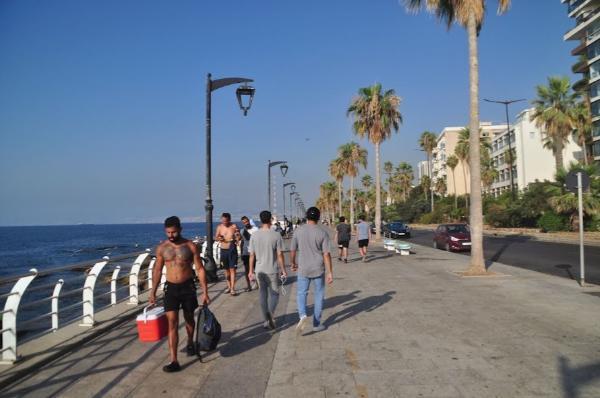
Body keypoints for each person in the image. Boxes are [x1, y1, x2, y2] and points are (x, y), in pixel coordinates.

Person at [150, 216, 210, 373]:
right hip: (171, 289)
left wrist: (205, 292)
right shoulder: (162, 248)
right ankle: (174, 360)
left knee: (189, 318)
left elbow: (200, 269)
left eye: (174, 232)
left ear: (180, 229)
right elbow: (157, 270)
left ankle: (190, 341)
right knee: (172, 323)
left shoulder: (190, 246)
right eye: (168, 232)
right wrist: (153, 292)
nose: (171, 235)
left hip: (187, 287)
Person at [290, 206, 333, 334]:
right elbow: (326, 254)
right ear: (318, 217)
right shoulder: (322, 233)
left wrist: (293, 263)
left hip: (303, 267)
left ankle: (302, 315)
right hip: (318, 268)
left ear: (306, 217)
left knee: (301, 293)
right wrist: (330, 272)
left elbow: (292, 250)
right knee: (319, 295)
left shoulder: (298, 231)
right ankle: (316, 324)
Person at [248, 210, 287, 330]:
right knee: (274, 294)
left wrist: (250, 271)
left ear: (260, 220)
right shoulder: (276, 235)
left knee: (262, 294)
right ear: (270, 220)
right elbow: (280, 255)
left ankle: (266, 319)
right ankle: (270, 316)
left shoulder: (254, 235)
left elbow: (252, 255)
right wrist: (283, 270)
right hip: (272, 269)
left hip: (259, 270)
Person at [215, 213, 240, 296]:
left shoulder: (234, 226)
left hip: (232, 249)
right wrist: (219, 238)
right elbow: (215, 237)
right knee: (226, 270)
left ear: (229, 219)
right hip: (223, 250)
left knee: (232, 269)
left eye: (226, 221)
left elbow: (238, 236)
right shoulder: (219, 227)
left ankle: (233, 288)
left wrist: (236, 237)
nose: (224, 222)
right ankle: (229, 287)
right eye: (223, 220)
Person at [240, 216, 259, 292]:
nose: (246, 223)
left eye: (246, 221)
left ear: (249, 221)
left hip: (255, 252)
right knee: (246, 270)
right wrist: (241, 253)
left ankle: (258, 283)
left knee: (256, 269)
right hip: (246, 253)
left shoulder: (255, 229)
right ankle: (249, 286)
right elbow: (241, 242)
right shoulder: (242, 231)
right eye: (244, 222)